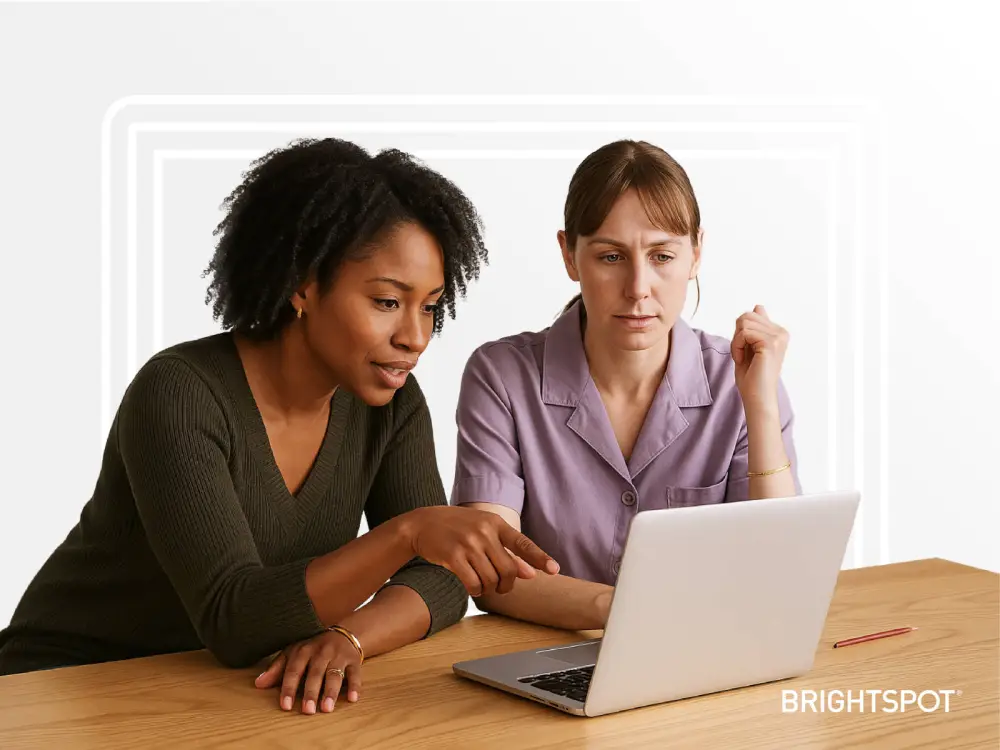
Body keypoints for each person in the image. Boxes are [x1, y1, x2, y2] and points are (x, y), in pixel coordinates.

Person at [0, 138, 559, 715]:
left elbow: (441, 583)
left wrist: (350, 638)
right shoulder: (179, 393)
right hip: (64, 686)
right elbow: (235, 619)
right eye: (388, 302)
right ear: (303, 285)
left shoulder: (390, 402)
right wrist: (408, 533)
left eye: (431, 306)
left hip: (224, 691)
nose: (415, 337)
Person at [451, 139, 801, 631]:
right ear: (570, 256)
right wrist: (627, 613)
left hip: (706, 660)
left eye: (662, 255)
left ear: (695, 253)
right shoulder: (502, 377)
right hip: (539, 661)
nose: (638, 287)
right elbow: (493, 572)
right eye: (611, 257)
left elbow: (778, 574)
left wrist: (760, 404)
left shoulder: (741, 379)